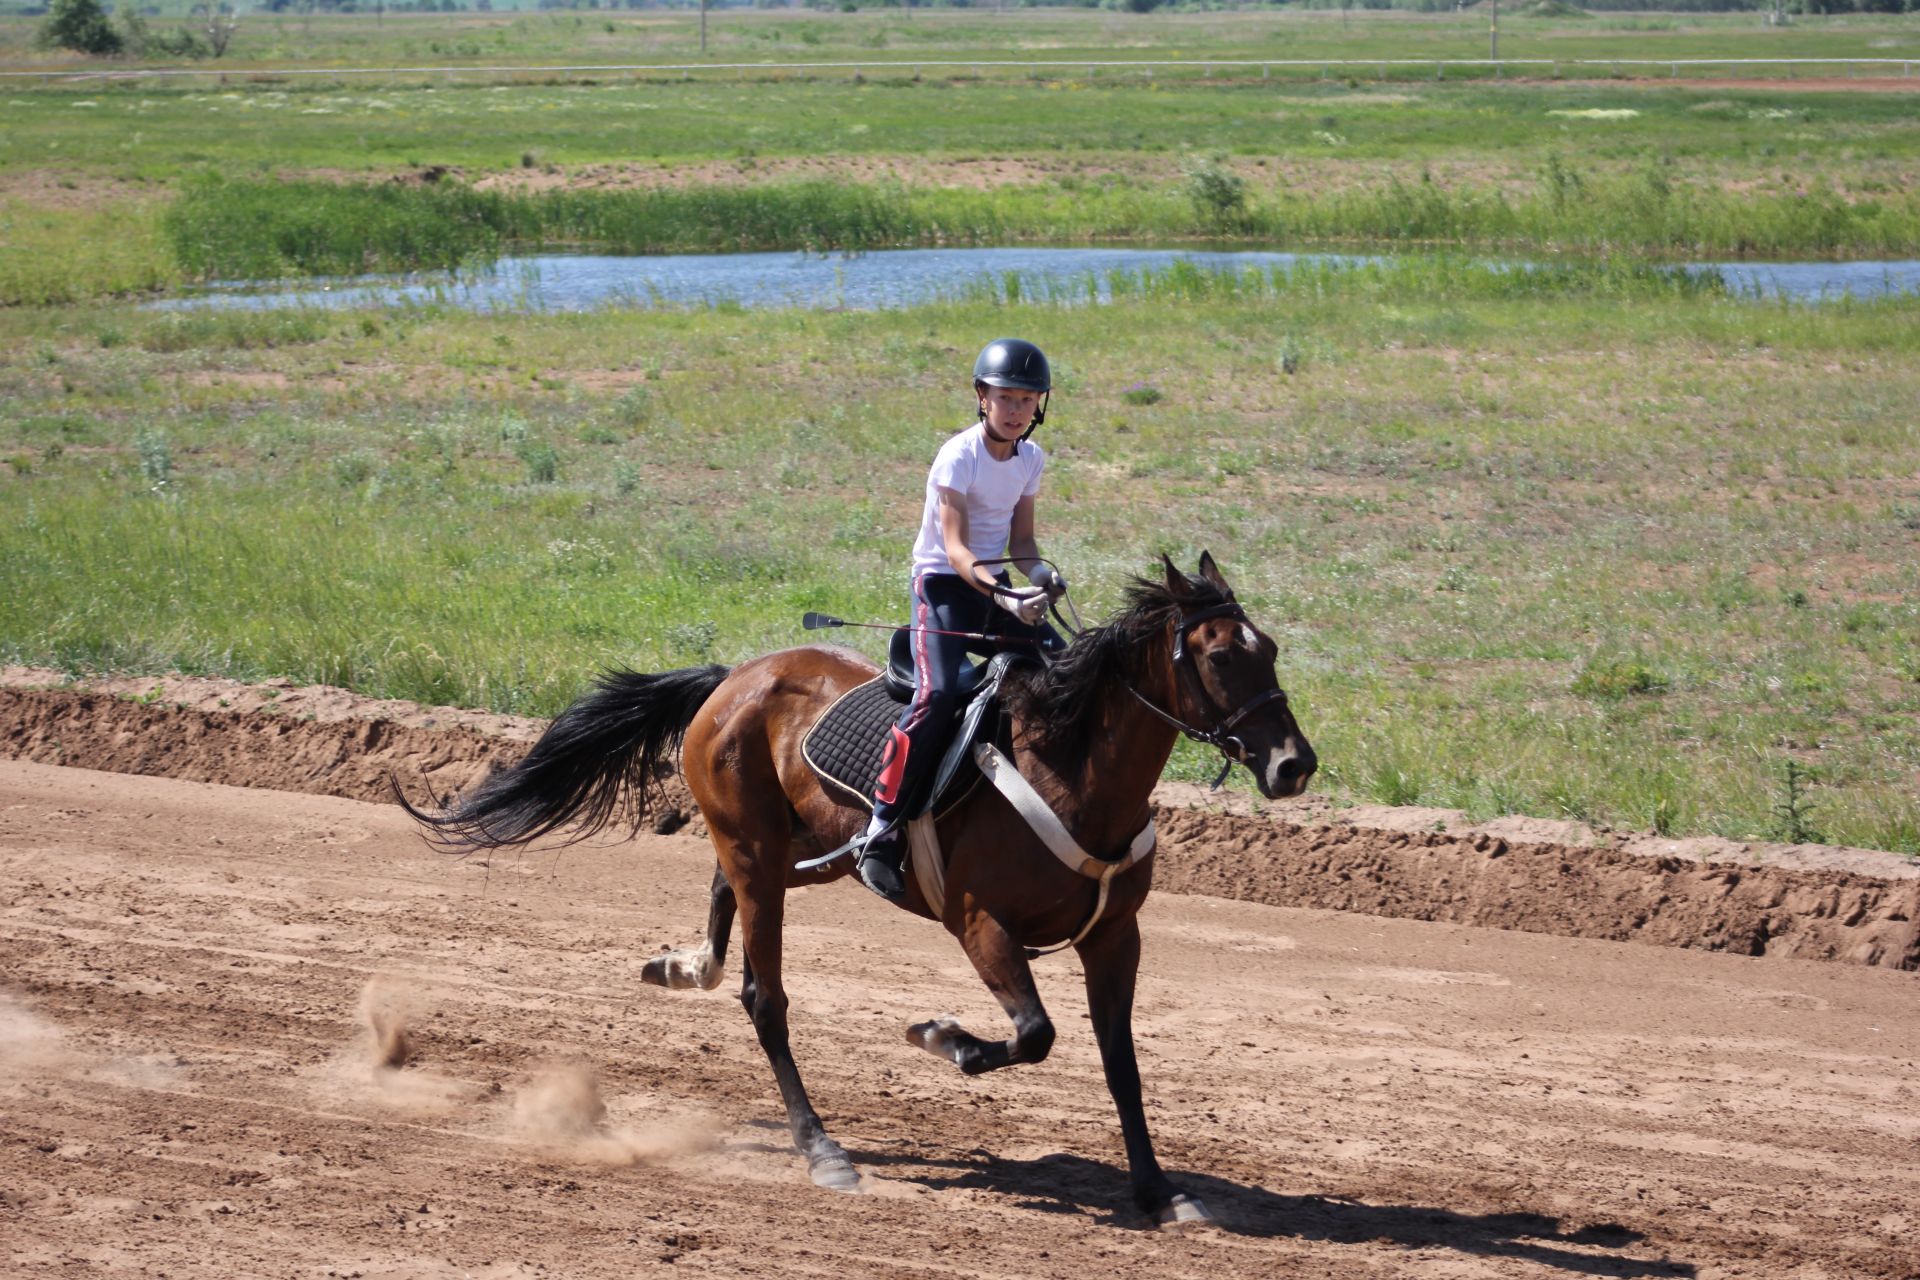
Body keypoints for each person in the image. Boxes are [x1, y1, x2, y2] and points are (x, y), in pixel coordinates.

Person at [856, 338, 1069, 904]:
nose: (1017, 409)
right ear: (982, 397)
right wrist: (1005, 596)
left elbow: (1021, 542)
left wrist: (1042, 575)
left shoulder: (1031, 459)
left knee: (1067, 672)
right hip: (944, 586)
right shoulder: (959, 455)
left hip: (997, 585)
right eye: (1006, 397)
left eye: (1028, 399)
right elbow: (953, 549)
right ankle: (880, 827)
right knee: (942, 692)